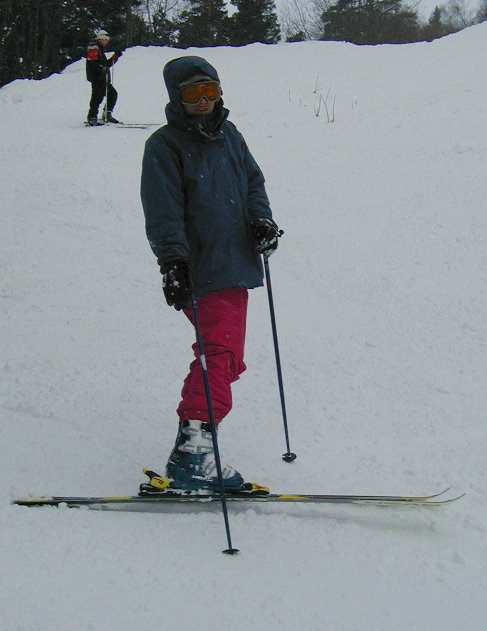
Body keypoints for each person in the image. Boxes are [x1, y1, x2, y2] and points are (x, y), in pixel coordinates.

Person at [140, 56, 280, 493]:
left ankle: (194, 445)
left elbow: (253, 183)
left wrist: (261, 220)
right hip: (199, 267)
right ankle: (193, 453)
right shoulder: (164, 146)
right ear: (176, 98)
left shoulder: (230, 135)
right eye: (192, 93)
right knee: (219, 353)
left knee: (226, 356)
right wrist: (172, 261)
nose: (203, 101)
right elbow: (162, 210)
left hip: (235, 262)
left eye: (210, 91)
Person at [86, 30, 122, 125]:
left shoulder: (100, 49)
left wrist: (116, 56)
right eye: (106, 40)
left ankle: (107, 114)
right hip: (97, 77)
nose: (107, 42)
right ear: (102, 39)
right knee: (97, 96)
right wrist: (102, 68)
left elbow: (107, 64)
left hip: (103, 78)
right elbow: (92, 62)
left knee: (112, 94)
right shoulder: (93, 46)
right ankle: (92, 117)